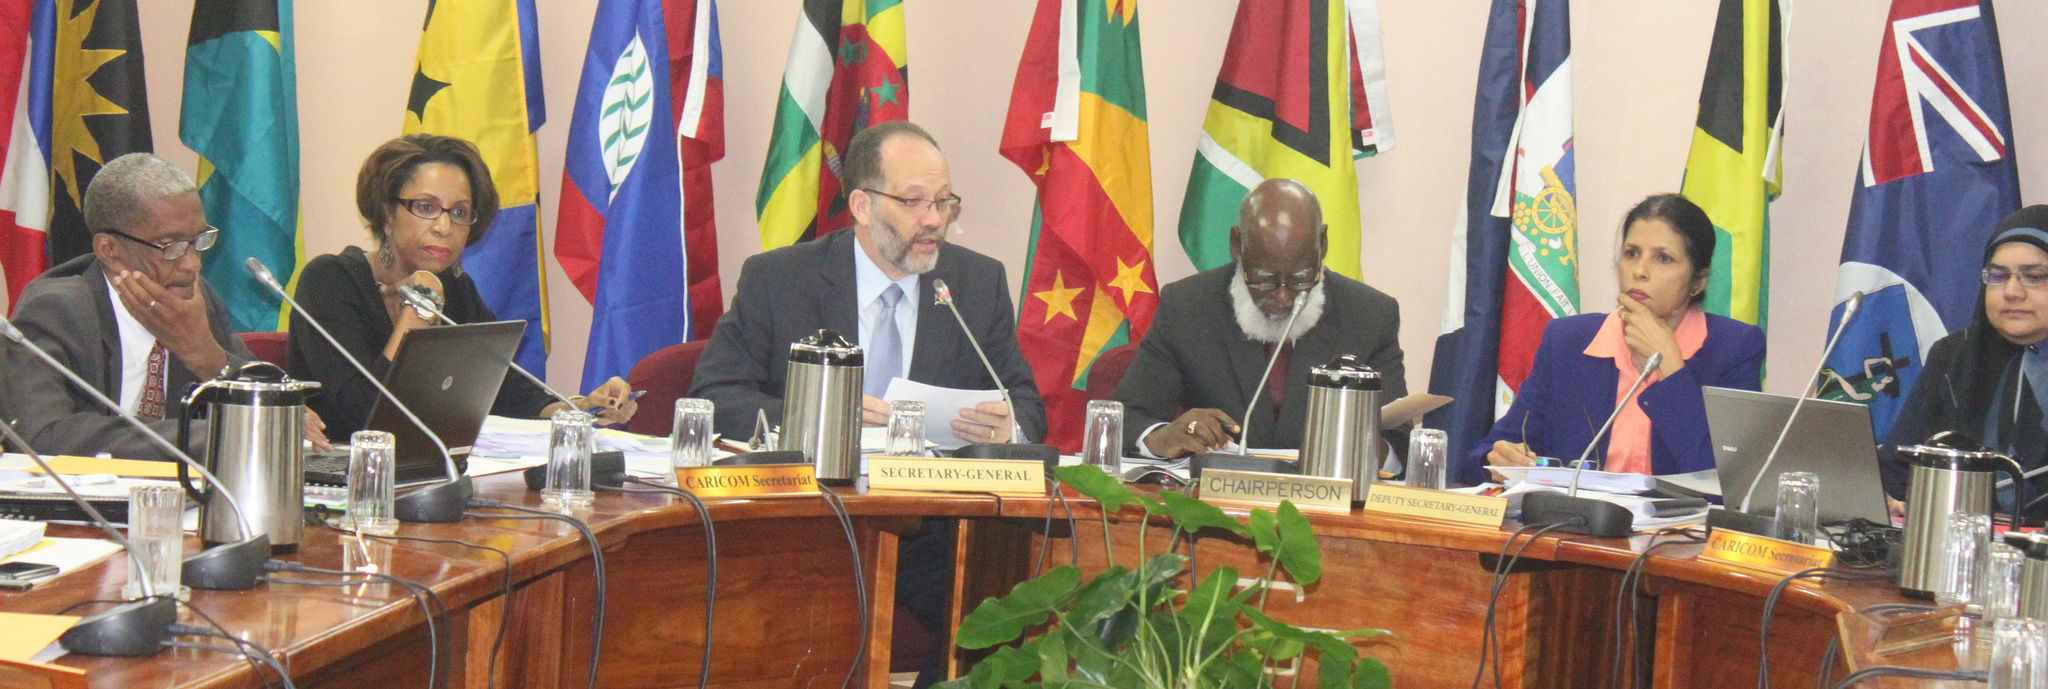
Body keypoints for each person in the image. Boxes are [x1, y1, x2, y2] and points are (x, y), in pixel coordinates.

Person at [690, 120, 1046, 444]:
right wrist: (816, 420)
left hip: (932, 506)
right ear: (862, 206)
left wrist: (1009, 429)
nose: (935, 219)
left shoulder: (976, 284)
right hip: (810, 502)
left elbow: (1026, 406)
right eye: (913, 201)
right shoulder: (779, 280)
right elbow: (714, 396)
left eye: (943, 201)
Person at [288, 134, 636, 441]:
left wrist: (579, 408)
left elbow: (506, 390)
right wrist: (419, 305)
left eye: (459, 212)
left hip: (427, 477)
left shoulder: (456, 289)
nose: (444, 226)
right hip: (342, 486)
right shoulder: (330, 282)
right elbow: (362, 418)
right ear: (386, 213)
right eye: (426, 207)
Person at [5, 153, 325, 460]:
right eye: (170, 246)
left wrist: (206, 356)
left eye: (200, 240)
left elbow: (276, 412)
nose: (192, 264)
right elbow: (42, 436)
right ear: (110, 250)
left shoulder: (197, 300)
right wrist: (220, 435)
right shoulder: (56, 311)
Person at [1469, 193, 1765, 477]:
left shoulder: (1734, 349)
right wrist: (1499, 459)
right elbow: (1484, 455)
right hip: (1580, 524)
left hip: (1678, 529)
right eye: (1632, 253)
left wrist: (1672, 368)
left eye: (1663, 258)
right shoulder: (1568, 341)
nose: (1640, 271)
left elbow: (1728, 483)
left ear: (1698, 281)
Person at [1115, 178, 1408, 459]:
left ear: (1323, 245)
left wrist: (1369, 449)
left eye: (1301, 278)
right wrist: (1163, 436)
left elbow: (1400, 442)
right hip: (1217, 504)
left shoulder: (1370, 315)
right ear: (1237, 245)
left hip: (1323, 505)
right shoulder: (1188, 307)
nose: (1283, 297)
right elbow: (1125, 418)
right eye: (1263, 279)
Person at [1880, 205, 2048, 517]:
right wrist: (1887, 499)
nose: (2011, 291)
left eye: (2034, 277)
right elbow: (1897, 472)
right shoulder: (1954, 357)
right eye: (1998, 276)